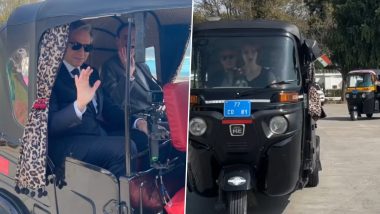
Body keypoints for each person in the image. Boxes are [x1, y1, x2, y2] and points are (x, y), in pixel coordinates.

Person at [48, 21, 137, 178]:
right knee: (125, 147)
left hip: (95, 135)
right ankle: (118, 201)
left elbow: (109, 108)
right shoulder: (51, 77)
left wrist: (136, 122)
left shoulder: (91, 72)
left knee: (141, 138)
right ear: (61, 44)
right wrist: (79, 104)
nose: (82, 52)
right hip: (66, 144)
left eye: (87, 47)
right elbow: (52, 124)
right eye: (76, 45)